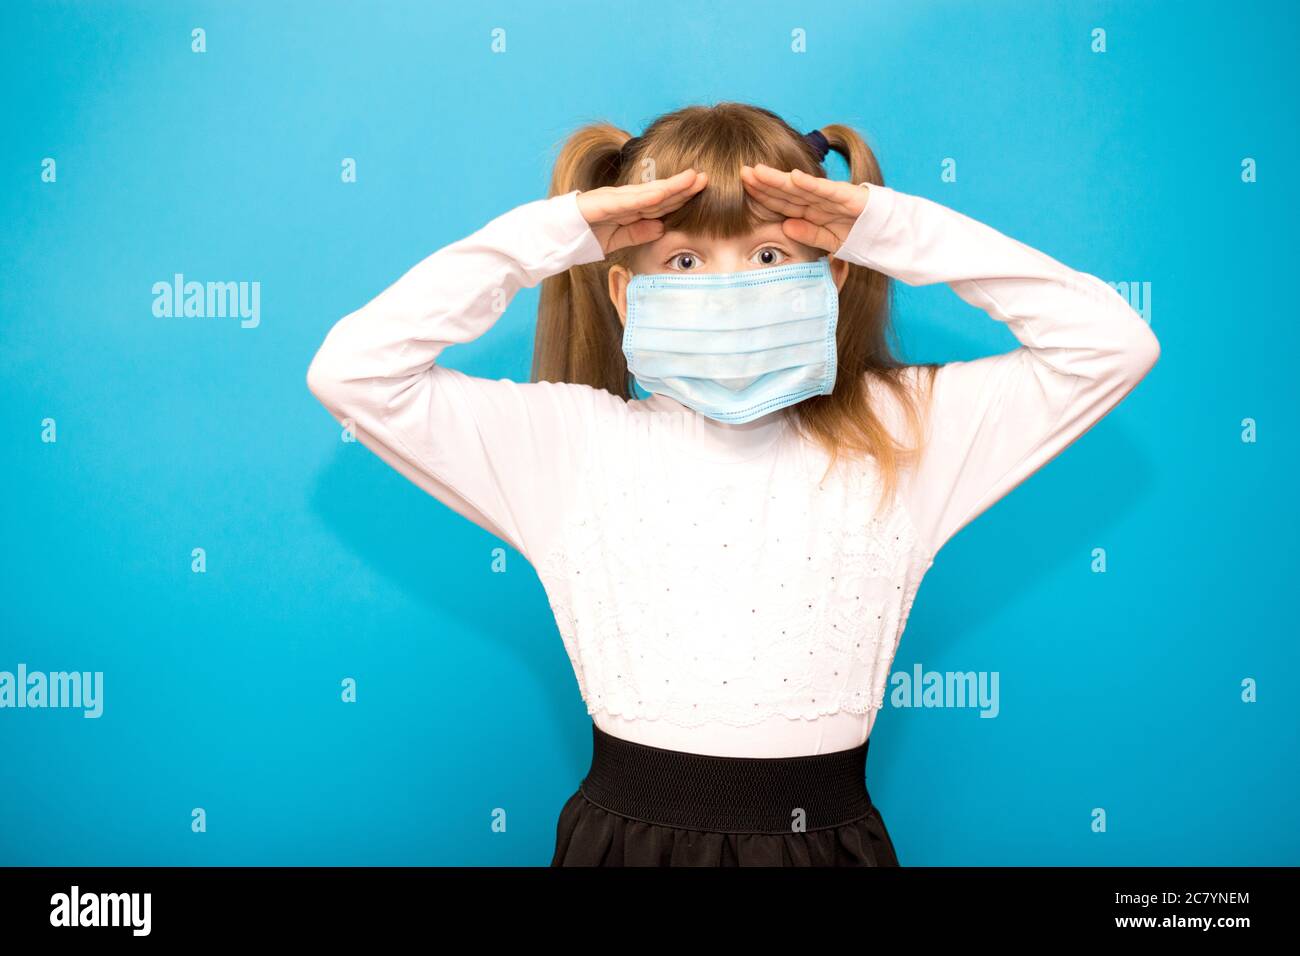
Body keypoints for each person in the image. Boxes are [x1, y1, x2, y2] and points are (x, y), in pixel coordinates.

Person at [305, 102, 1160, 866]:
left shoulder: (910, 433)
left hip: (827, 847)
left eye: (767, 253)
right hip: (621, 847)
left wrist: (886, 228)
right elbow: (355, 372)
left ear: (828, 274)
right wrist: (558, 232)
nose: (728, 289)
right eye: (681, 261)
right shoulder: (565, 443)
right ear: (623, 291)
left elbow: (1111, 345)